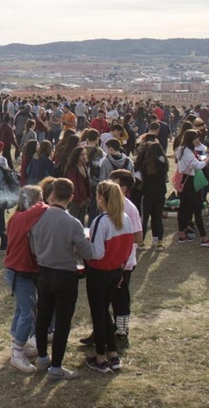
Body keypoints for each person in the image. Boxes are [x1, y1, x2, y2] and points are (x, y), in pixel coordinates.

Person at [29, 178, 95, 381]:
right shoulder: (73, 223)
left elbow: (32, 246)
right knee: (63, 322)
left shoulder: (38, 217)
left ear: (52, 195)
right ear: (71, 198)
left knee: (43, 316)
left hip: (44, 272)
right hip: (65, 275)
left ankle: (42, 357)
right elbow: (89, 253)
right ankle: (56, 367)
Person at [83, 181, 134, 373]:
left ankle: (101, 357)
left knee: (98, 313)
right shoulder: (125, 218)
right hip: (116, 270)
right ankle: (112, 353)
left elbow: (96, 253)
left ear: (101, 198)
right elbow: (128, 248)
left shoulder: (101, 221)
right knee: (104, 311)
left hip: (99, 272)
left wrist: (83, 245)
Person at [4, 185, 48, 373]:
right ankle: (17, 353)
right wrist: (49, 203)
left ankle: (17, 344)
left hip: (19, 270)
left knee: (21, 310)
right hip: (18, 271)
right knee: (28, 313)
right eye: (41, 197)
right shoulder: (23, 218)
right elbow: (42, 208)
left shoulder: (18, 217)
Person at [107, 170, 142, 344]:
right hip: (109, 261)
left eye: (113, 183)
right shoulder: (108, 203)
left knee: (120, 298)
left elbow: (138, 237)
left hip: (123, 263)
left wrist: (120, 250)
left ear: (123, 188)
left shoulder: (129, 209)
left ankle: (122, 330)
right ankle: (107, 329)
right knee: (107, 298)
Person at [175, 129, 209, 246]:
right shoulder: (187, 152)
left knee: (183, 208)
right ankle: (205, 238)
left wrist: (205, 158)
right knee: (197, 209)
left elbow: (196, 160)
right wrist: (208, 159)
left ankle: (182, 234)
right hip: (189, 181)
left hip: (185, 180)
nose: (197, 140)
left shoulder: (181, 149)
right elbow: (196, 165)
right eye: (196, 138)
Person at [137, 141, 168, 250]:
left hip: (147, 192)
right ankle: (158, 241)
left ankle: (141, 242)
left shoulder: (146, 164)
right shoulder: (164, 163)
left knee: (144, 218)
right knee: (157, 217)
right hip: (160, 193)